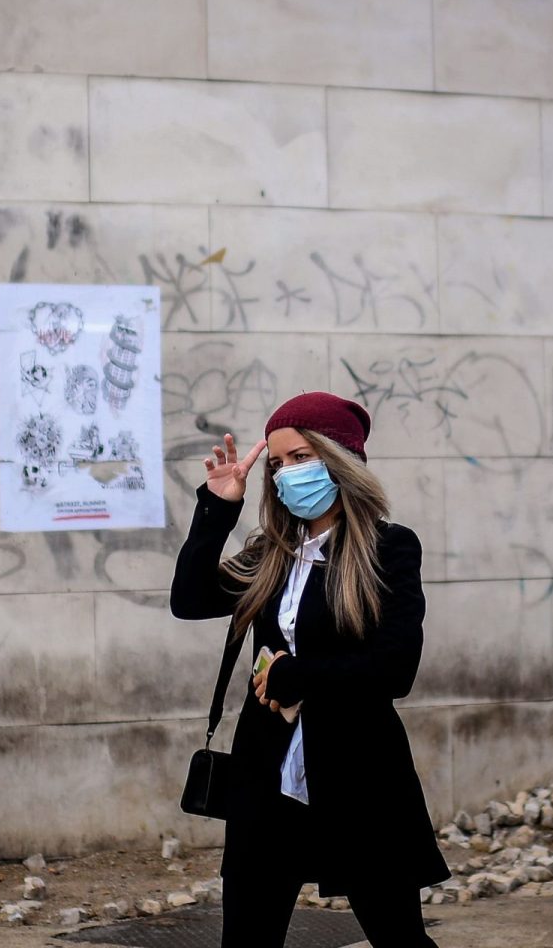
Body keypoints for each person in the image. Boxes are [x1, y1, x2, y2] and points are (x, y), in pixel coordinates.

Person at [170, 392, 447, 948]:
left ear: (338, 459)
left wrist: (303, 675)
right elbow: (190, 598)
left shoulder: (390, 550)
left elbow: (396, 668)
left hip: (359, 777)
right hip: (266, 780)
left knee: (399, 938)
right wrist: (218, 507)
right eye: (276, 464)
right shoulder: (270, 552)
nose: (285, 473)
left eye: (299, 458)